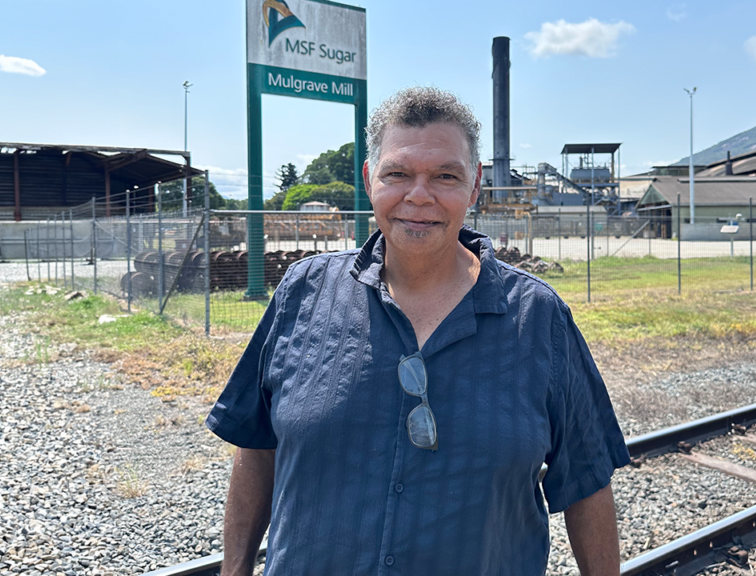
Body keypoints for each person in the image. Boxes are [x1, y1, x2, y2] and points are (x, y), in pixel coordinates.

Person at [207, 87, 630, 576]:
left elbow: (587, 480)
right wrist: (234, 569)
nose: (419, 195)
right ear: (370, 180)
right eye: (398, 174)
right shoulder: (303, 293)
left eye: (445, 176)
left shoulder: (538, 318)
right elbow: (257, 446)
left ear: (474, 190)